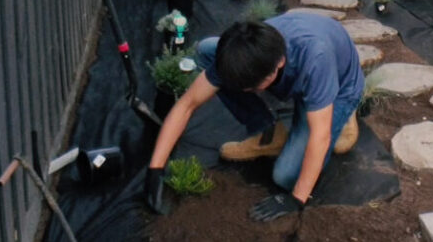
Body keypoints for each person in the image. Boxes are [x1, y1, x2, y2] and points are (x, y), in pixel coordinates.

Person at [145, 12, 364, 221]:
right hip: (300, 66)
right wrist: (155, 169)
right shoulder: (247, 53)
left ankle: (340, 115)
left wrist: (296, 200)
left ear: (278, 64)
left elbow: (320, 136)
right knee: (205, 50)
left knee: (286, 177)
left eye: (252, 87)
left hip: (339, 83)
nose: (246, 91)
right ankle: (267, 129)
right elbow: (186, 105)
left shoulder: (316, 58)